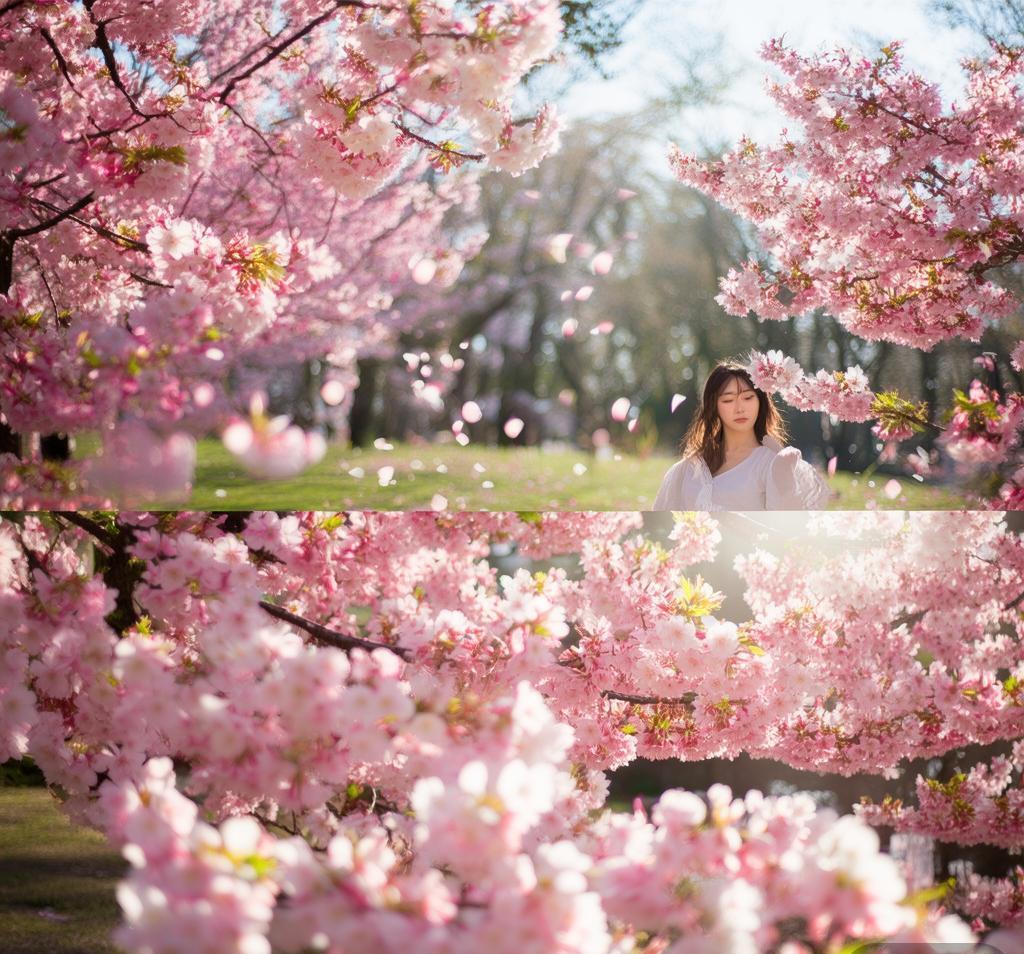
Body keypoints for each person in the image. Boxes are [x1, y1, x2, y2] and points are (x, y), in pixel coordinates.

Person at [654, 362, 830, 510]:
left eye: (748, 398)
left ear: (760, 402)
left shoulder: (770, 462)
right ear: (714, 406)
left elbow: (788, 527)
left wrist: (784, 472)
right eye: (728, 400)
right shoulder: (689, 467)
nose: (739, 408)